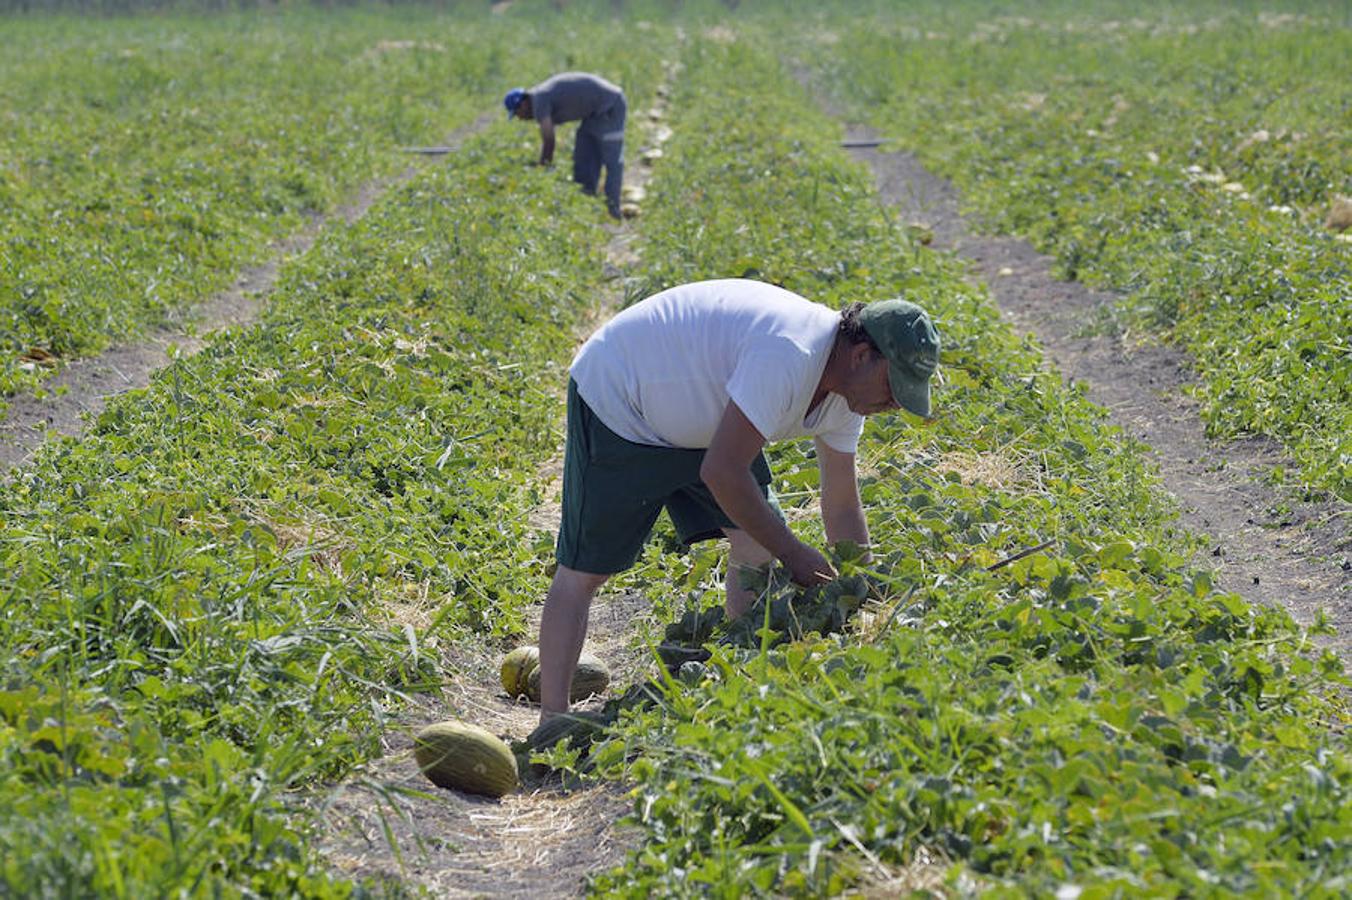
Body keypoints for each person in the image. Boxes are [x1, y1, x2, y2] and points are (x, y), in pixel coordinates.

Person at [535, 278, 941, 723]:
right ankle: (552, 720)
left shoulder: (849, 397)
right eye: (893, 387)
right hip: (626, 398)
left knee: (757, 546)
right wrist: (795, 553)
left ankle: (744, 676)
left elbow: (841, 501)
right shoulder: (790, 355)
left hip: (705, 420)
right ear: (862, 356)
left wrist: (860, 584)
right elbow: (722, 472)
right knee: (585, 572)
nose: (894, 405)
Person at [503, 72, 627, 219]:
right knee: (584, 157)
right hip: (592, 114)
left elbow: (549, 140)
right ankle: (586, 208)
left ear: (522, 103)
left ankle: (613, 212)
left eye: (517, 114)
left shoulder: (538, 101)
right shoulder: (538, 97)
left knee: (612, 161)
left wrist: (542, 170)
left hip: (610, 105)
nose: (520, 119)